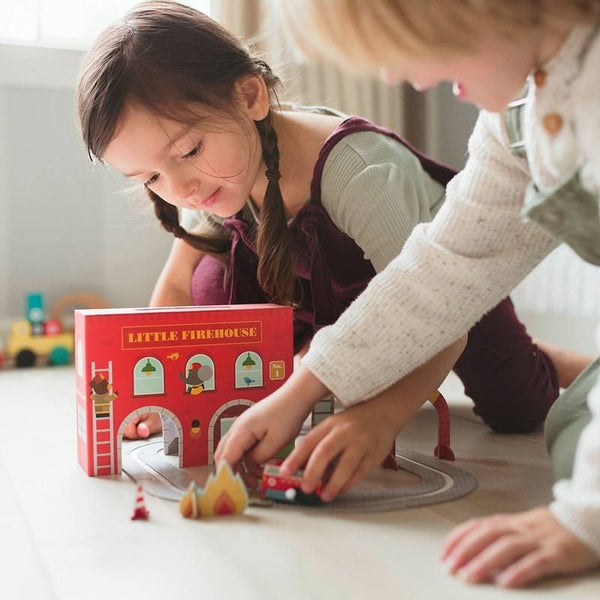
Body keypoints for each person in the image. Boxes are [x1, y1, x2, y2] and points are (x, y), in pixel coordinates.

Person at [216, 0, 600, 589]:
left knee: (577, 448)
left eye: (424, 47)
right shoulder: (518, 117)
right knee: (573, 420)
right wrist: (305, 386)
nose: (416, 80)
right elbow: (441, 270)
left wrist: (584, 520)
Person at [75, 1, 583, 446]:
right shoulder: (203, 172)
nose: (179, 186)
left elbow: (438, 306)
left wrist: (380, 416)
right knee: (213, 281)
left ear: (250, 96)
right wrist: (156, 391)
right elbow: (178, 289)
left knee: (519, 408)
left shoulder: (359, 173)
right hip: (322, 296)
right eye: (151, 177)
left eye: (187, 151)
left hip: (427, 285)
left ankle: (547, 359)